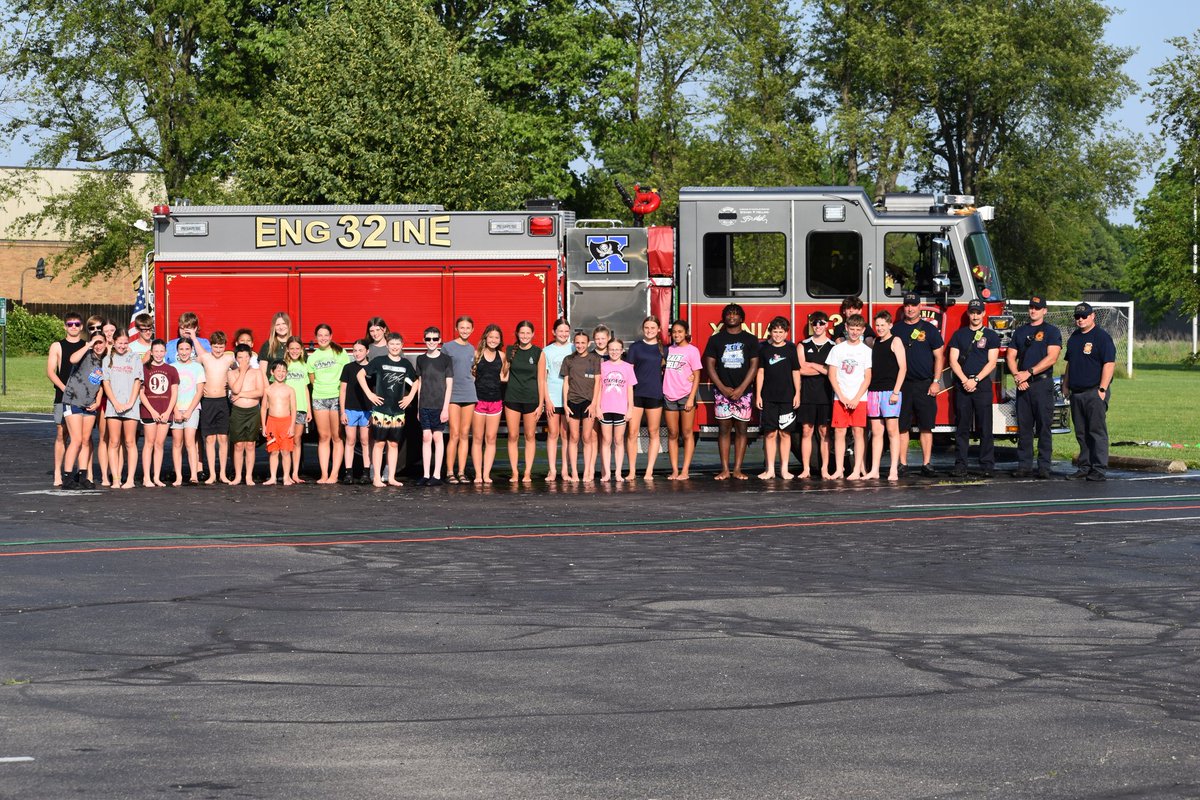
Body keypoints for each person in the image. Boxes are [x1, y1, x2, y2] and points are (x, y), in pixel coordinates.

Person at [1006, 295, 1062, 479]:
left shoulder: (1052, 331)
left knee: (1044, 427)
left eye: (1037, 308)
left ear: (1044, 310)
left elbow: (1052, 357)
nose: (1033, 310)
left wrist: (1028, 373)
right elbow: (1010, 356)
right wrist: (1017, 376)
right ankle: (1024, 465)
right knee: (1024, 427)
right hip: (1023, 385)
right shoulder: (1020, 332)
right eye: (1031, 307)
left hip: (1041, 384)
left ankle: (1044, 467)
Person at [703, 303, 760, 480]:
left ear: (742, 318)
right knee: (724, 430)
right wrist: (721, 387)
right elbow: (710, 365)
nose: (732, 316)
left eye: (736, 314)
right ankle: (725, 470)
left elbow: (754, 365)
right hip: (722, 393)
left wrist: (742, 388)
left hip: (745, 392)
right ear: (724, 318)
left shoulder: (750, 339)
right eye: (729, 313)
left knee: (742, 430)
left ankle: (737, 469)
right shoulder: (716, 339)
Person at [893, 291, 945, 477]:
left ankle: (926, 463)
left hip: (925, 384)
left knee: (926, 425)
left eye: (913, 305)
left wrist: (936, 381)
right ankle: (902, 464)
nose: (910, 308)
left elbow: (939, 357)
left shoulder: (930, 330)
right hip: (902, 385)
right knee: (902, 426)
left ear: (919, 307)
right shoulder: (895, 329)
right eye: (907, 305)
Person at [1063, 302, 1116, 482]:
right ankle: (1084, 467)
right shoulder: (1074, 338)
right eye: (1077, 317)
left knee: (1096, 431)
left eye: (1084, 316)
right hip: (1076, 392)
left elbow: (1109, 364)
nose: (1080, 319)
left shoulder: (1102, 338)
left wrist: (1102, 389)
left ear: (1093, 316)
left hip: (1094, 391)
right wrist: (1065, 385)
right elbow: (1070, 363)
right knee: (1081, 432)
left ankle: (1099, 468)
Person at [947, 299, 1001, 477]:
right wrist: (964, 380)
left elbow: (992, 362)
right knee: (962, 428)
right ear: (969, 314)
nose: (975, 315)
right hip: (963, 387)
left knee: (985, 428)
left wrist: (975, 379)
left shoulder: (991, 336)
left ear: (984, 314)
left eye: (978, 312)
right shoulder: (959, 335)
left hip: (982, 386)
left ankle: (987, 466)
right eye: (972, 312)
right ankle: (960, 465)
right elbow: (953, 360)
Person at [359, 332, 418, 488]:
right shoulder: (379, 361)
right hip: (380, 410)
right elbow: (361, 374)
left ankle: (391, 477)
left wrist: (410, 397)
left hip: (398, 411)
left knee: (393, 444)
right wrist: (370, 394)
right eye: (392, 344)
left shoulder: (405, 364)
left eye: (398, 344)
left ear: (402, 346)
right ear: (387, 345)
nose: (395, 347)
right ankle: (377, 478)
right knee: (379, 443)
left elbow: (417, 380)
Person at [826, 314, 872, 480]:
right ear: (846, 328)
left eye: (858, 330)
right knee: (839, 433)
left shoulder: (866, 351)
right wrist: (842, 396)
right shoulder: (837, 349)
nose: (854, 332)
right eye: (851, 329)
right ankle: (839, 469)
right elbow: (832, 375)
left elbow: (867, 378)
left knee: (859, 433)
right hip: (840, 399)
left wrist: (855, 398)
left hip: (859, 399)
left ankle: (856, 470)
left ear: (863, 330)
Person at [755, 316, 800, 480]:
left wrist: (797, 393)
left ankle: (785, 469)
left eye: (781, 332)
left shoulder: (791, 349)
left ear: (786, 333)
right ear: (770, 332)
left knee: (785, 434)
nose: (778, 335)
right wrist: (758, 394)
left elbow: (796, 372)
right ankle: (770, 469)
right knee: (770, 433)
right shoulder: (764, 349)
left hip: (787, 397)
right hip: (768, 397)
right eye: (775, 331)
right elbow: (760, 372)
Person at [60, 331, 108, 489]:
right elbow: (72, 359)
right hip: (73, 400)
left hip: (89, 403)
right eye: (96, 342)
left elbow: (101, 384)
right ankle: (67, 477)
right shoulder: (86, 354)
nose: (98, 346)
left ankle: (82, 475)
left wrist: (98, 401)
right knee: (77, 440)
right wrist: (88, 344)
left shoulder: (105, 361)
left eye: (101, 342)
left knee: (86, 440)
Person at [864, 311, 907, 481]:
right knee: (876, 432)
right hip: (874, 391)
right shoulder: (875, 342)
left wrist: (896, 392)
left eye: (883, 325)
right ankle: (874, 470)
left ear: (890, 325)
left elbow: (903, 368)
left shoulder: (896, 341)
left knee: (892, 430)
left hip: (891, 391)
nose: (880, 328)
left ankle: (893, 470)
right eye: (878, 325)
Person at [46, 311, 86, 487]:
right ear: (65, 326)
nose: (73, 327)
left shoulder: (86, 345)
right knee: (62, 434)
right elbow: (50, 372)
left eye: (77, 324)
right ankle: (58, 472)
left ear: (82, 326)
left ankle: (79, 471)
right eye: (70, 324)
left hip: (82, 398)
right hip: (63, 396)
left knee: (80, 437)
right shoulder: (57, 346)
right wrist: (65, 389)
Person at [307, 324, 350, 484]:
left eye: (326, 335)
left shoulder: (341, 353)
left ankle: (334, 474)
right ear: (316, 337)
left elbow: (346, 376)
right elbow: (312, 380)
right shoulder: (312, 358)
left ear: (331, 336)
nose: (323, 338)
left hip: (336, 399)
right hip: (319, 398)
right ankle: (324, 474)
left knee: (337, 437)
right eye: (320, 335)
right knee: (323, 437)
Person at [624, 317, 665, 481]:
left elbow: (675, 369)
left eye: (653, 327)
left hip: (655, 394)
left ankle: (649, 471)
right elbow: (628, 372)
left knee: (654, 432)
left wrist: (690, 377)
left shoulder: (664, 350)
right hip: (636, 394)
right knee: (632, 433)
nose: (649, 330)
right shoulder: (636, 347)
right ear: (643, 328)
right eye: (646, 327)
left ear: (659, 329)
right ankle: (632, 471)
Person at [102, 331, 143, 489]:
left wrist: (130, 403)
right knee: (113, 442)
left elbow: (137, 381)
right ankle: (116, 479)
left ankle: (130, 479)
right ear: (114, 341)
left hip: (131, 407)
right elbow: (106, 383)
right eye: (120, 342)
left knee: (130, 442)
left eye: (125, 343)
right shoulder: (108, 359)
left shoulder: (134, 358)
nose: (122, 346)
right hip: (114, 406)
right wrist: (115, 403)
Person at [796, 311, 835, 480]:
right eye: (815, 323)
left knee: (824, 432)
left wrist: (812, 364)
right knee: (806, 431)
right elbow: (800, 369)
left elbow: (832, 371)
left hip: (825, 395)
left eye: (821, 323)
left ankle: (825, 469)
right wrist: (822, 368)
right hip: (807, 394)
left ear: (827, 325)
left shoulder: (833, 346)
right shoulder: (802, 345)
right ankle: (806, 469)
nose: (818, 326)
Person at [502, 321, 542, 483]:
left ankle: (527, 473)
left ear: (532, 334)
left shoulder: (539, 352)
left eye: (528, 333)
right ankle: (515, 473)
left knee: (530, 435)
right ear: (517, 334)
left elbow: (541, 380)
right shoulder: (510, 351)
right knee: (512, 435)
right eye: (522, 333)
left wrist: (541, 404)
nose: (525, 336)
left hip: (531, 399)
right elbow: (503, 375)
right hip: (512, 398)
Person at [561, 329, 602, 483]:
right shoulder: (569, 360)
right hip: (572, 402)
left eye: (583, 343)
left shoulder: (595, 359)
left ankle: (587, 472)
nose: (580, 345)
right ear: (574, 343)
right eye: (577, 342)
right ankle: (575, 473)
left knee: (587, 437)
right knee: (574, 437)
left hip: (588, 403)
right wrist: (565, 404)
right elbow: (566, 383)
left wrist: (594, 404)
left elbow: (598, 382)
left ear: (588, 343)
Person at [193, 331, 234, 484]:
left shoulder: (229, 359)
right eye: (215, 347)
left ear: (225, 346)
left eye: (221, 347)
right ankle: (212, 474)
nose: (218, 350)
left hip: (223, 401)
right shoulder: (204, 358)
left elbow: (239, 372)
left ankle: (222, 473)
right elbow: (189, 369)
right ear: (210, 346)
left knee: (223, 438)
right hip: (207, 401)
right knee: (209, 439)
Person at [663, 320, 701, 481]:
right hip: (669, 395)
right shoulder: (668, 350)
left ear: (686, 332)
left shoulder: (692, 351)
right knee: (672, 433)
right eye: (674, 332)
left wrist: (691, 398)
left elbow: (697, 375)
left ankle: (685, 470)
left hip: (686, 395)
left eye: (680, 331)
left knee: (686, 433)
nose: (677, 335)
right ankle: (674, 470)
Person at [414, 327, 453, 486]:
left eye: (435, 339)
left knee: (437, 437)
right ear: (424, 340)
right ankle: (426, 473)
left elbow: (449, 385)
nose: (431, 342)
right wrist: (418, 407)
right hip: (424, 404)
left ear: (439, 341)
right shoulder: (420, 359)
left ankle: (437, 475)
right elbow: (420, 384)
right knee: (426, 437)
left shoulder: (446, 359)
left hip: (439, 405)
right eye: (428, 339)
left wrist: (445, 408)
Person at [139, 339, 179, 487]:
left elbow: (174, 393)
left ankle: (156, 477)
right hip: (149, 412)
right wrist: (153, 411)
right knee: (149, 443)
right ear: (151, 352)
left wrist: (168, 411)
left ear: (165, 352)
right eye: (156, 351)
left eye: (161, 351)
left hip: (165, 412)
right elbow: (141, 393)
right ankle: (146, 478)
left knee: (159, 444)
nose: (158, 354)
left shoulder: (171, 370)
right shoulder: (144, 369)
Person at [470, 324, 506, 484]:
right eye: (490, 337)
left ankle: (486, 474)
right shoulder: (477, 354)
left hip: (496, 401)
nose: (493, 340)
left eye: (496, 338)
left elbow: (504, 377)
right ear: (485, 337)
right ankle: (478, 474)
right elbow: (471, 376)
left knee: (491, 438)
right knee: (477, 438)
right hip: (479, 401)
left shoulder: (503, 356)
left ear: (500, 340)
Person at [538, 318, 573, 481]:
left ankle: (565, 470)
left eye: (566, 331)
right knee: (553, 434)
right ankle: (552, 470)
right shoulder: (546, 351)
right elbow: (543, 379)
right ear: (554, 332)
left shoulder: (574, 348)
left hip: (569, 398)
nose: (564, 334)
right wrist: (547, 400)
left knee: (566, 435)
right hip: (553, 397)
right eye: (560, 331)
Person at [443, 316, 477, 484]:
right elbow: (442, 370)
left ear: (472, 330)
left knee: (465, 434)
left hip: (469, 394)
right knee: (454, 433)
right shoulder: (448, 347)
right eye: (461, 327)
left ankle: (462, 472)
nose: (464, 330)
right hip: (453, 394)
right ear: (456, 328)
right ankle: (450, 471)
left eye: (467, 328)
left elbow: (474, 370)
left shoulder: (473, 349)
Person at [598, 338, 636, 481]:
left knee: (619, 440)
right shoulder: (602, 366)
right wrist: (597, 407)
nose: (614, 352)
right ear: (608, 350)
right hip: (605, 408)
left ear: (622, 351)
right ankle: (607, 472)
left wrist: (630, 408)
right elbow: (598, 388)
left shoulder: (627, 367)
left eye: (617, 349)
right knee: (606, 440)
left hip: (621, 408)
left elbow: (630, 389)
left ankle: (618, 472)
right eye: (611, 349)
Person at [169, 339, 206, 485]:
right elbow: (170, 392)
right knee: (177, 443)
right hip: (176, 409)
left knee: (190, 442)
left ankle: (193, 475)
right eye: (181, 349)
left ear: (192, 350)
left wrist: (190, 410)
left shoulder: (198, 367)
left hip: (192, 409)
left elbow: (199, 391)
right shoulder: (172, 368)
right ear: (177, 350)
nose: (184, 352)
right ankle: (178, 476)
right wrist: (175, 410)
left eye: (187, 349)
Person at [228, 344, 265, 486]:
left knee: (250, 444)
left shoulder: (256, 372)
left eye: (246, 357)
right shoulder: (231, 373)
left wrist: (242, 394)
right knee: (238, 445)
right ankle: (238, 476)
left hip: (253, 411)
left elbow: (259, 392)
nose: (243, 360)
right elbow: (235, 388)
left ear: (250, 358)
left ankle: (249, 476)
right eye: (240, 357)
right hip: (238, 412)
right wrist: (242, 371)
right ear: (236, 359)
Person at [339, 339, 374, 485]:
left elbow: (375, 391)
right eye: (355, 350)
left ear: (367, 351)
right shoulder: (348, 368)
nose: (357, 353)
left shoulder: (372, 368)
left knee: (365, 441)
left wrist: (374, 412)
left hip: (367, 411)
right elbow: (343, 390)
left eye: (360, 350)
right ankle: (348, 473)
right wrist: (342, 412)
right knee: (350, 440)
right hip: (350, 410)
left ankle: (366, 473)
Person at [262, 360, 298, 486]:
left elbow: (293, 409)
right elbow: (263, 408)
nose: (281, 373)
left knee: (286, 451)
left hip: (286, 422)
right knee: (273, 451)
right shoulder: (267, 390)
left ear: (287, 373)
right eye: (278, 370)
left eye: (284, 371)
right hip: (272, 422)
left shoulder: (290, 390)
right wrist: (264, 425)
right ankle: (272, 477)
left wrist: (292, 426)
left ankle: (286, 477)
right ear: (272, 372)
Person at [283, 336, 310, 483]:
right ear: (287, 349)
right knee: (286, 440)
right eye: (291, 348)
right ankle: (285, 472)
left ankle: (295, 473)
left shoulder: (304, 366)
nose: (294, 351)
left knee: (297, 439)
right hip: (285, 409)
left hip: (300, 408)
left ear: (301, 351)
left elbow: (306, 389)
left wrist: (309, 409)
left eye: (297, 349)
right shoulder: (283, 365)